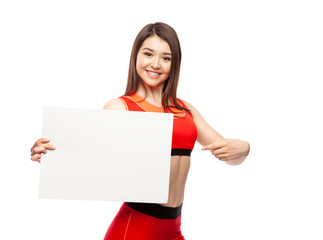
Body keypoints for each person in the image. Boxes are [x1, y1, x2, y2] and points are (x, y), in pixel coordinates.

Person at [30, 22, 250, 240]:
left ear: (175, 64)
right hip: (135, 228)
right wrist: (50, 157)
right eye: (148, 54)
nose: (156, 64)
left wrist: (244, 148)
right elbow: (91, 160)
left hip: (173, 228)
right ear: (136, 56)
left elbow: (227, 155)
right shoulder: (121, 107)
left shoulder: (185, 109)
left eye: (166, 58)